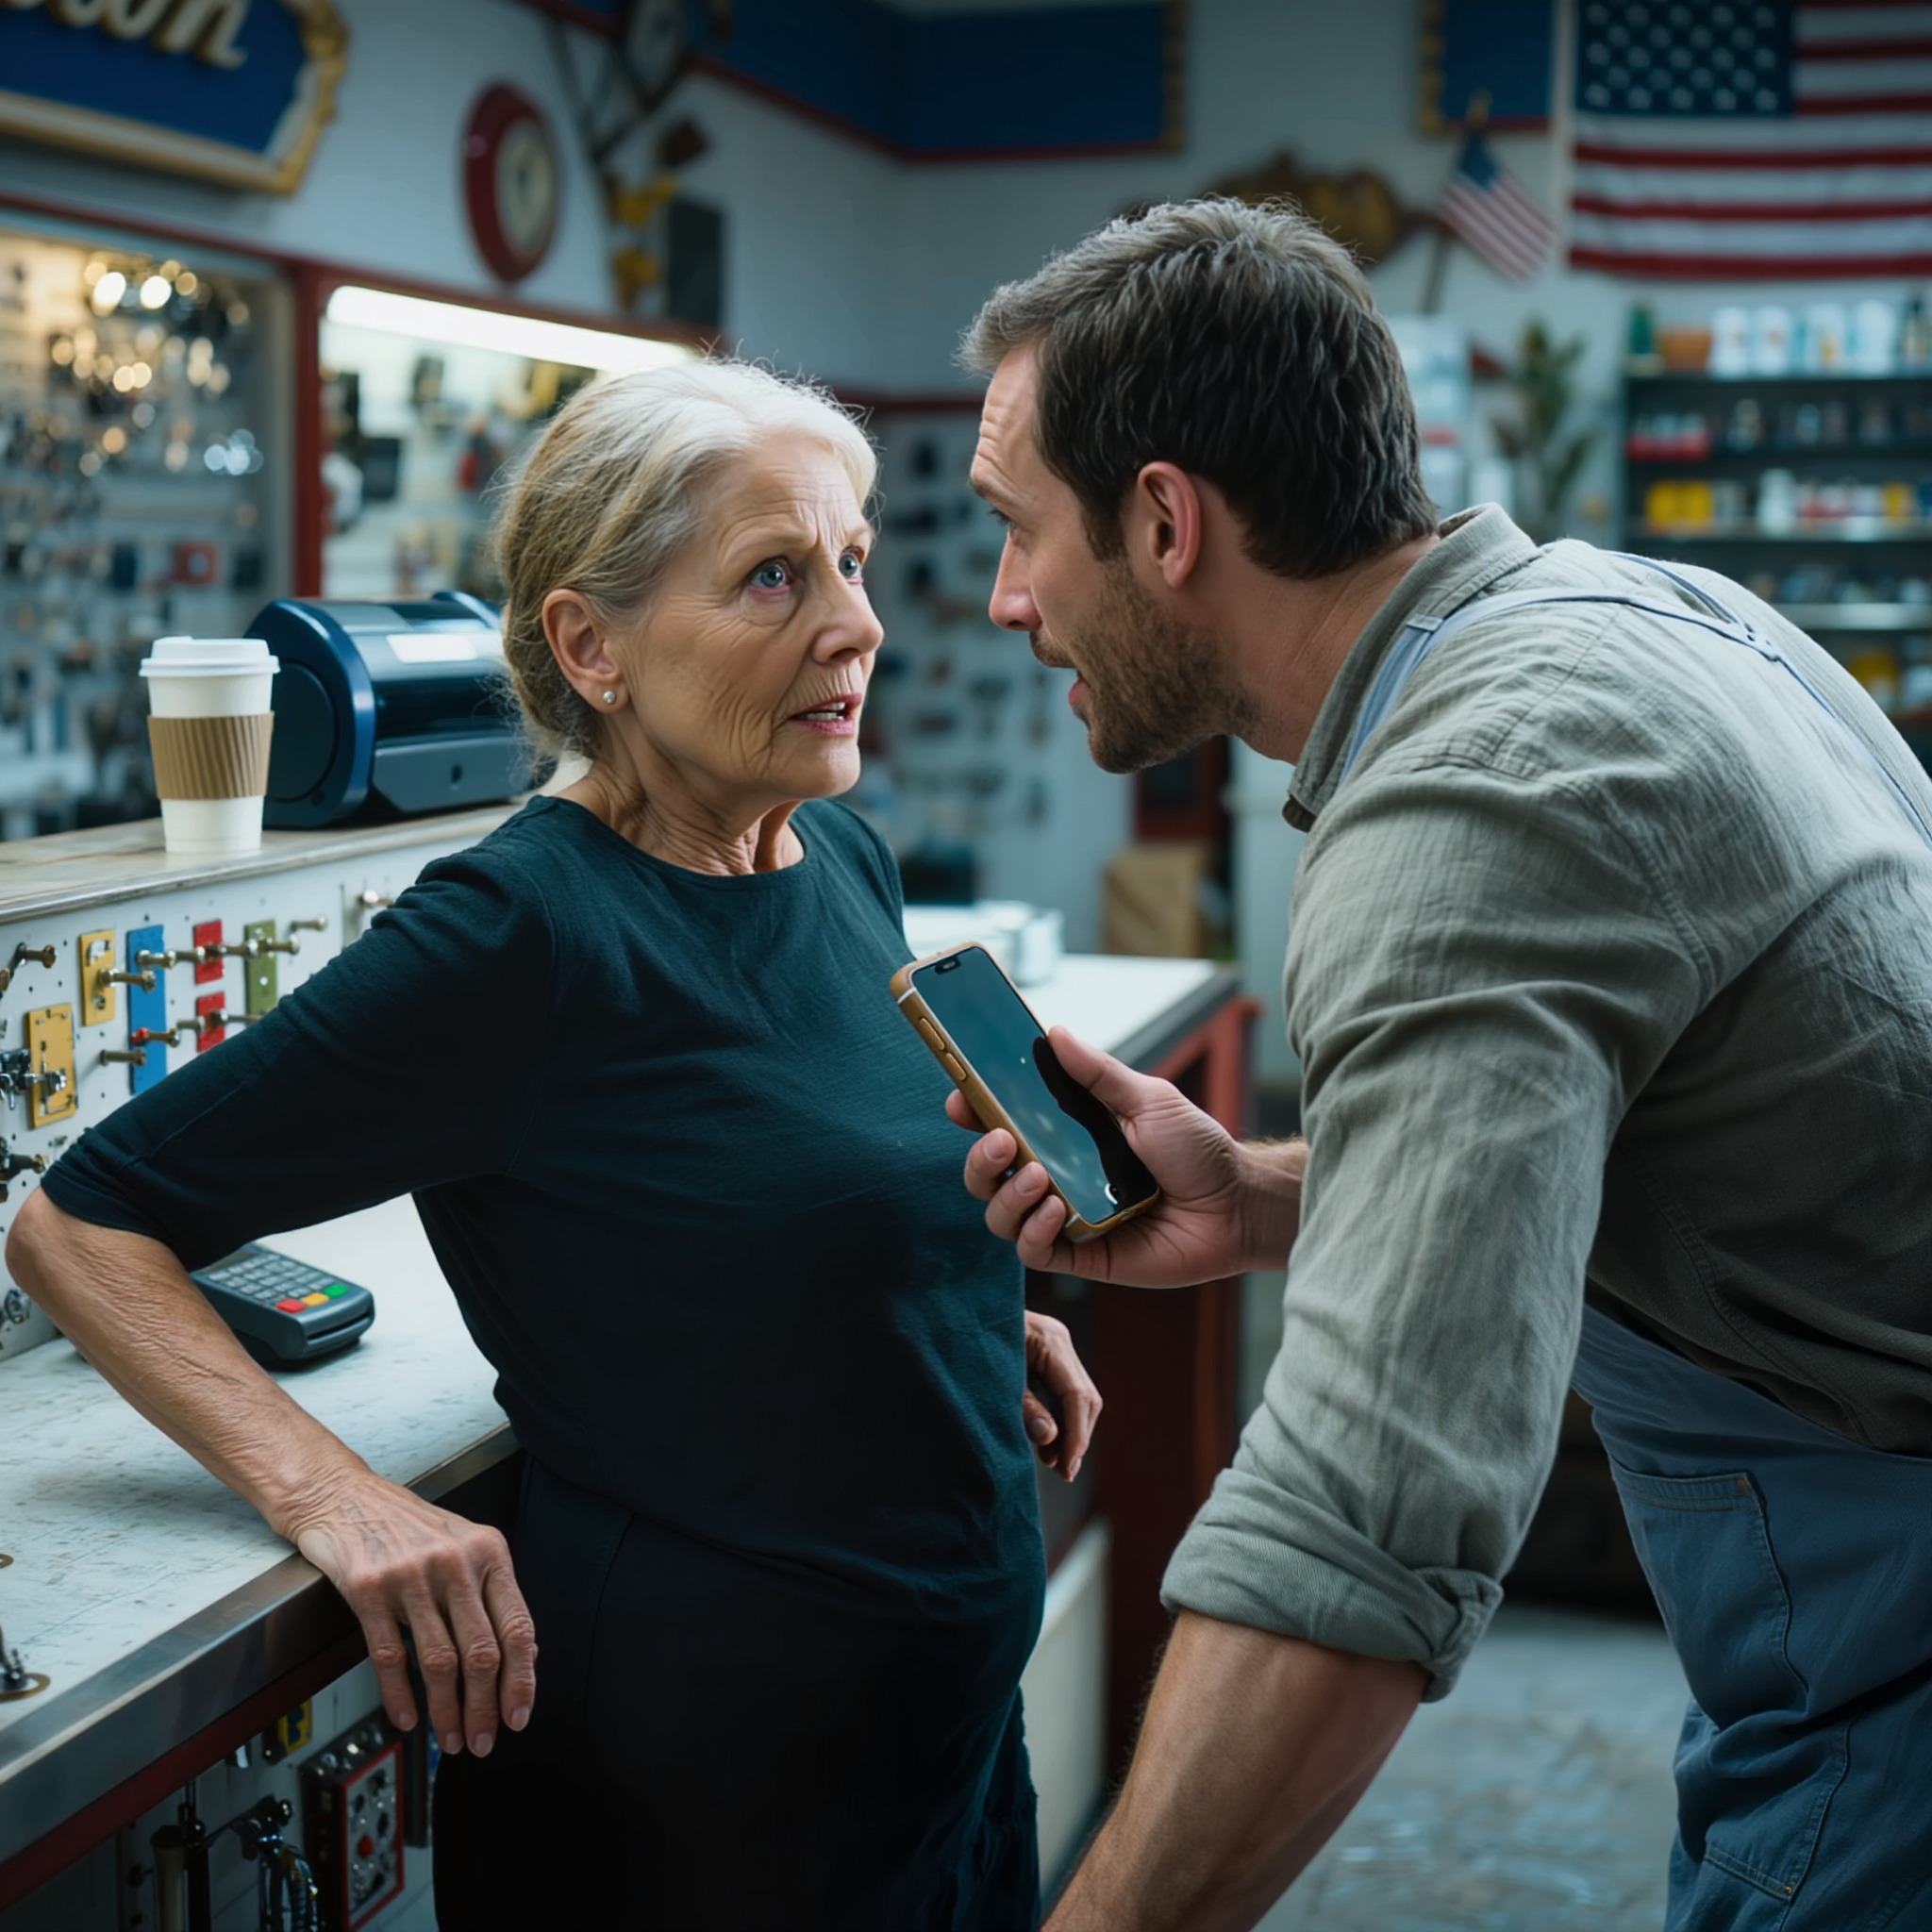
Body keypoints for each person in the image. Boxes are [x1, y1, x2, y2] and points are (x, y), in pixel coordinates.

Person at [8, 359, 1102, 1930]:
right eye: (774, 576)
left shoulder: (838, 853)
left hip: (947, 1746)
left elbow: (802, 1177)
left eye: (853, 562)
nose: (857, 625)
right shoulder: (521, 931)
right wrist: (334, 1497)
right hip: (711, 1800)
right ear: (594, 647)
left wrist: (950, 1309)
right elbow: (78, 1225)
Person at [946, 198, 1932, 1932]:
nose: (1009, 601)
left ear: (1166, 521)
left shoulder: (1472, 796)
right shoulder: (1650, 610)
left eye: (1022, 532)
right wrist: (1264, 1196)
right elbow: (1685, 1113)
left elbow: (1364, 1517)